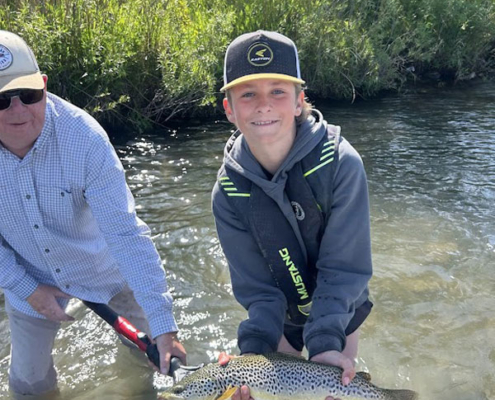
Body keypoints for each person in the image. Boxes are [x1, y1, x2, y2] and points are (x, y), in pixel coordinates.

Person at [0, 30, 186, 397]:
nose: (18, 110)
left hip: (107, 269)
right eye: (1, 100)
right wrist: (27, 288)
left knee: (143, 362)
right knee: (28, 386)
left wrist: (165, 328)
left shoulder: (84, 139)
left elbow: (126, 234)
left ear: (45, 86)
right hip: (27, 271)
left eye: (29, 94)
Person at [212, 30, 373, 400]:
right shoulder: (227, 194)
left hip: (341, 303)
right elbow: (258, 290)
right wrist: (253, 350)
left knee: (338, 387)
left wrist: (324, 343)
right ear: (230, 110)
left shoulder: (341, 164)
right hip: (280, 311)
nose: (263, 105)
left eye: (278, 92)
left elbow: (344, 270)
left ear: (300, 101)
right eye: (248, 93)